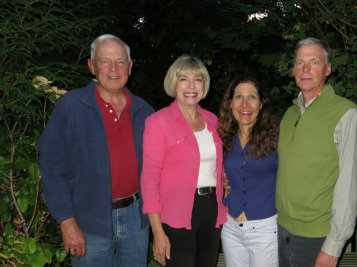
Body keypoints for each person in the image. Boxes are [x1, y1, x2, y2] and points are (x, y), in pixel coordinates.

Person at [38, 34, 154, 267]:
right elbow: (51, 166)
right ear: (92, 66)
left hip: (136, 220)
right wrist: (67, 222)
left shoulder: (144, 111)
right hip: (88, 222)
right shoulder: (71, 107)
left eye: (120, 61)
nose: (113, 68)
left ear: (130, 67)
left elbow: (165, 162)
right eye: (105, 61)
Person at [275, 37, 357, 267]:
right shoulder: (289, 115)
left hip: (316, 238)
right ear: (293, 69)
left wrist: (333, 246)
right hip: (279, 230)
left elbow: (351, 186)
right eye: (299, 62)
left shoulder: (346, 114)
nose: (305, 69)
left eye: (314, 62)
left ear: (327, 69)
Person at [141, 54, 227, 267]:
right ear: (174, 83)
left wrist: (225, 179)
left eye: (197, 79)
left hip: (212, 211)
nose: (191, 85)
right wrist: (157, 232)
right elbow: (149, 181)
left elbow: (216, 165)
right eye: (183, 79)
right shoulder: (158, 122)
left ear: (204, 85)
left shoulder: (212, 120)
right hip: (176, 213)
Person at [218, 76, 279, 267]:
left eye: (252, 97)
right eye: (238, 97)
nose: (245, 104)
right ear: (230, 103)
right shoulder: (222, 136)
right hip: (231, 227)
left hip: (265, 229)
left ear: (261, 104)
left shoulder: (277, 137)